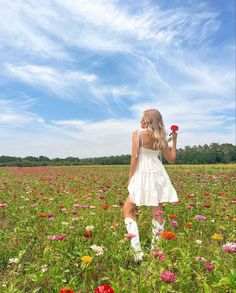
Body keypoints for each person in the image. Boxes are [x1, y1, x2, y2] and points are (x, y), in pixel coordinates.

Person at [123, 109, 178, 262]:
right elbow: (172, 158)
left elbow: (134, 158)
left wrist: (130, 179)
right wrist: (174, 141)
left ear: (147, 120)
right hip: (157, 173)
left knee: (128, 210)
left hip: (142, 173)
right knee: (157, 212)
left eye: (142, 118)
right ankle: (156, 250)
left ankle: (137, 252)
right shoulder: (160, 137)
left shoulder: (138, 134)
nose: (140, 121)